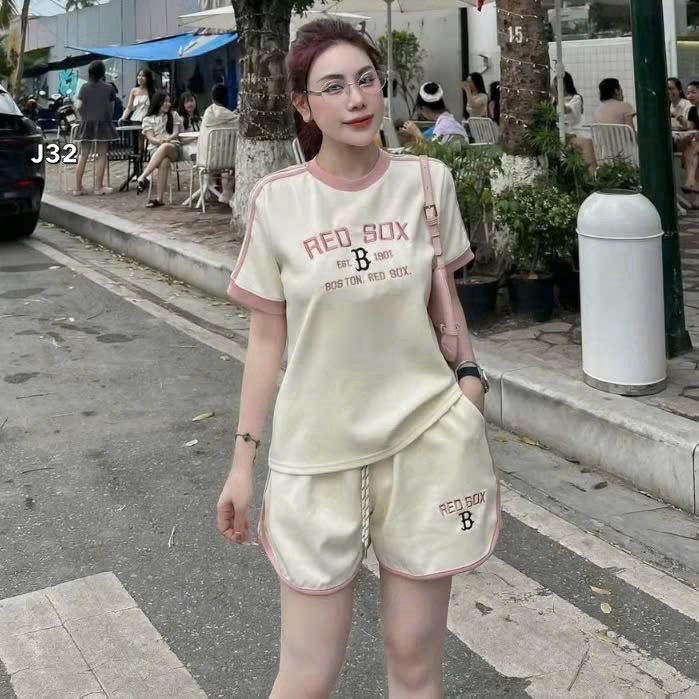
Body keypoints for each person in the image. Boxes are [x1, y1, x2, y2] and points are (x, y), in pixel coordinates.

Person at [217, 18, 500, 698]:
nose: (356, 99)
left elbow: (443, 302)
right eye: (334, 86)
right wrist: (242, 463)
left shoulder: (426, 181)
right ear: (302, 104)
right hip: (318, 457)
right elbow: (266, 340)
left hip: (424, 441)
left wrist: (469, 384)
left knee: (413, 660)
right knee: (308, 673)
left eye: (366, 80)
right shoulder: (278, 200)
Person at [72, 60, 118, 196]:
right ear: (103, 73)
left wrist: (84, 117)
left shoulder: (84, 87)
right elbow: (111, 109)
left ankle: (77, 188)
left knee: (83, 155)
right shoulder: (109, 88)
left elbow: (78, 106)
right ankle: (98, 187)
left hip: (87, 123)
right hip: (103, 123)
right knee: (102, 155)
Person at [135, 90, 183, 208]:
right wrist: (160, 141)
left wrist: (166, 139)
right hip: (155, 150)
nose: (168, 104)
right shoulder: (148, 119)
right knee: (164, 161)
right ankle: (159, 199)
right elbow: (151, 138)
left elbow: (176, 133)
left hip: (173, 148)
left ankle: (143, 176)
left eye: (169, 101)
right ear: (158, 102)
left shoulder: (174, 115)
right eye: (165, 101)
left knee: (166, 146)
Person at [196, 83, 239, 202]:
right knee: (238, 160)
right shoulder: (231, 117)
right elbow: (241, 122)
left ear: (212, 97)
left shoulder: (208, 113)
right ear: (226, 97)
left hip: (205, 159)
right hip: (227, 161)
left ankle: (211, 189)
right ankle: (227, 192)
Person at [400, 81, 468, 143]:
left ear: (424, 108)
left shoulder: (442, 128)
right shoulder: (452, 123)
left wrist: (417, 133)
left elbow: (432, 151)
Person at [554, 71, 595, 168]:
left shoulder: (576, 98)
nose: (557, 87)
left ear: (566, 84)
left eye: (559, 85)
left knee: (585, 144)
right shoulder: (554, 100)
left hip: (574, 132)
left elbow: (566, 110)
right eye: (555, 85)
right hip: (560, 133)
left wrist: (557, 98)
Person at [677, 81, 699, 192]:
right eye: (688, 93)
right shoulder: (693, 110)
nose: (690, 96)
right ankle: (693, 183)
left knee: (692, 147)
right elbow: (691, 129)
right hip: (696, 143)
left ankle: (690, 181)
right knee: (689, 144)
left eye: (693, 92)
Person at [177, 91, 202, 161]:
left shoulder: (201, 119)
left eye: (191, 101)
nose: (190, 104)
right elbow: (181, 141)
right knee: (195, 151)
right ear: (183, 105)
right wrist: (196, 137)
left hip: (200, 145)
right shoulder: (180, 120)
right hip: (187, 146)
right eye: (186, 102)